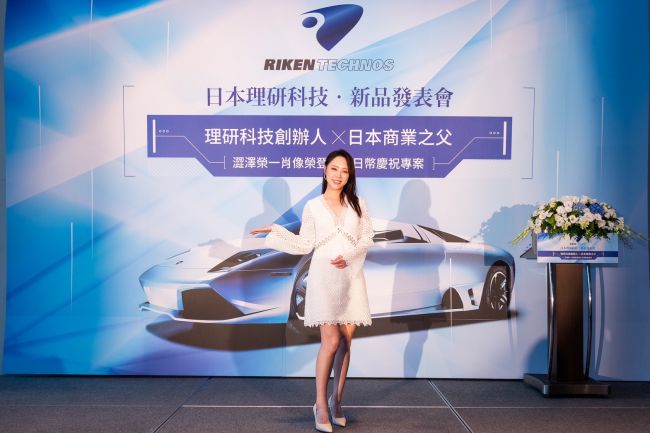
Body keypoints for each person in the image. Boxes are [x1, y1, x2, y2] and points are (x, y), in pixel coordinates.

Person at [250, 149, 374, 432]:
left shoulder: (359, 204)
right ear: (325, 170)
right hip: (323, 277)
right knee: (331, 340)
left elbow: (367, 238)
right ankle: (320, 404)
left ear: (350, 175)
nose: (339, 175)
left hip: (351, 276)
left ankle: (337, 401)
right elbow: (305, 244)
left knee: (346, 341)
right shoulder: (313, 206)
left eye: (345, 171)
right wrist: (277, 231)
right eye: (334, 169)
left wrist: (350, 256)